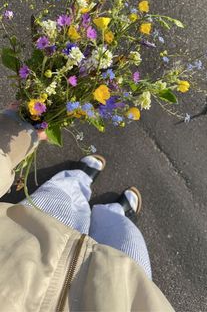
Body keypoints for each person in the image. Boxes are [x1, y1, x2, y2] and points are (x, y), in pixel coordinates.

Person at [0, 108, 174, 311]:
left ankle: (78, 179)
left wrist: (14, 131)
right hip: (124, 295)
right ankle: (115, 213)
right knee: (125, 234)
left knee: (60, 196)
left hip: (25, 247)